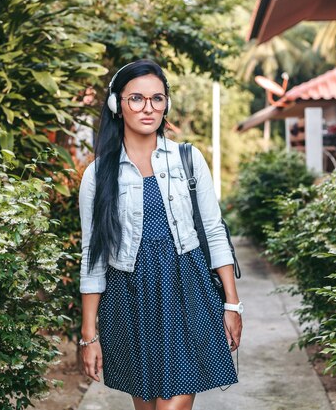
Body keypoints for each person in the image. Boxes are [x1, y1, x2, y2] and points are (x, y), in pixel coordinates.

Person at [78, 59, 242, 410]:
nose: (148, 108)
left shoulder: (188, 158)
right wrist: (88, 336)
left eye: (157, 98)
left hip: (188, 288)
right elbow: (92, 256)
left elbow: (214, 231)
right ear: (116, 105)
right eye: (136, 99)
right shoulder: (98, 175)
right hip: (130, 296)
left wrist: (232, 303)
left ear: (166, 103)